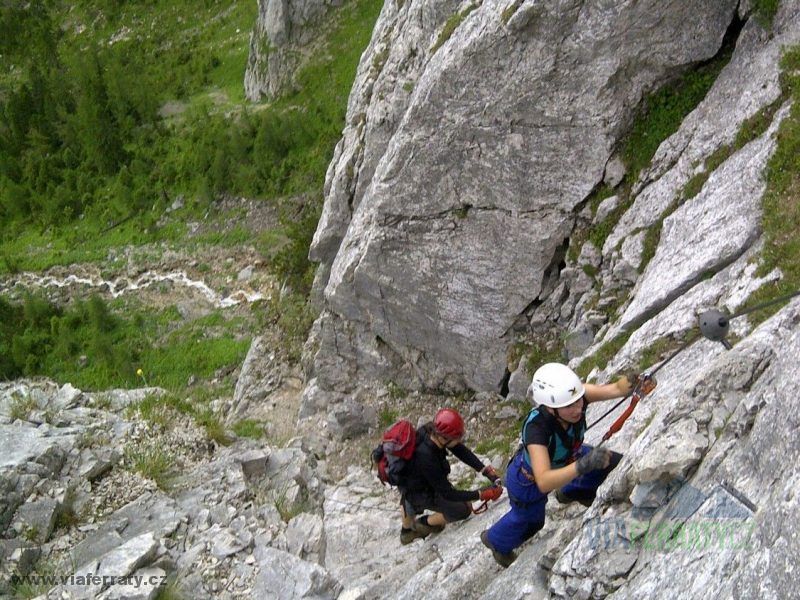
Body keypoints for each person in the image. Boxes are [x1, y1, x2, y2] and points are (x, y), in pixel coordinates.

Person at [480, 363, 637, 567]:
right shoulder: (537, 428)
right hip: (528, 480)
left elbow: (616, 389)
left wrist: (633, 382)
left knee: (611, 463)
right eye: (569, 406)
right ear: (550, 407)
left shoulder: (574, 396)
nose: (578, 408)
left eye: (579, 401)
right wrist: (582, 466)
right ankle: (495, 541)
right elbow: (544, 481)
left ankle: (572, 491)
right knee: (532, 522)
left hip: (567, 458)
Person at [399, 408, 504, 544]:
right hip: (420, 491)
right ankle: (421, 525)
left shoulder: (432, 431)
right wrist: (480, 494)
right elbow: (448, 494)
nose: (459, 440)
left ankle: (407, 527)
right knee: (462, 509)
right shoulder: (427, 458)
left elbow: (459, 450)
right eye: (457, 438)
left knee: (414, 498)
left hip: (416, 481)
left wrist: (484, 469)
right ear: (444, 438)